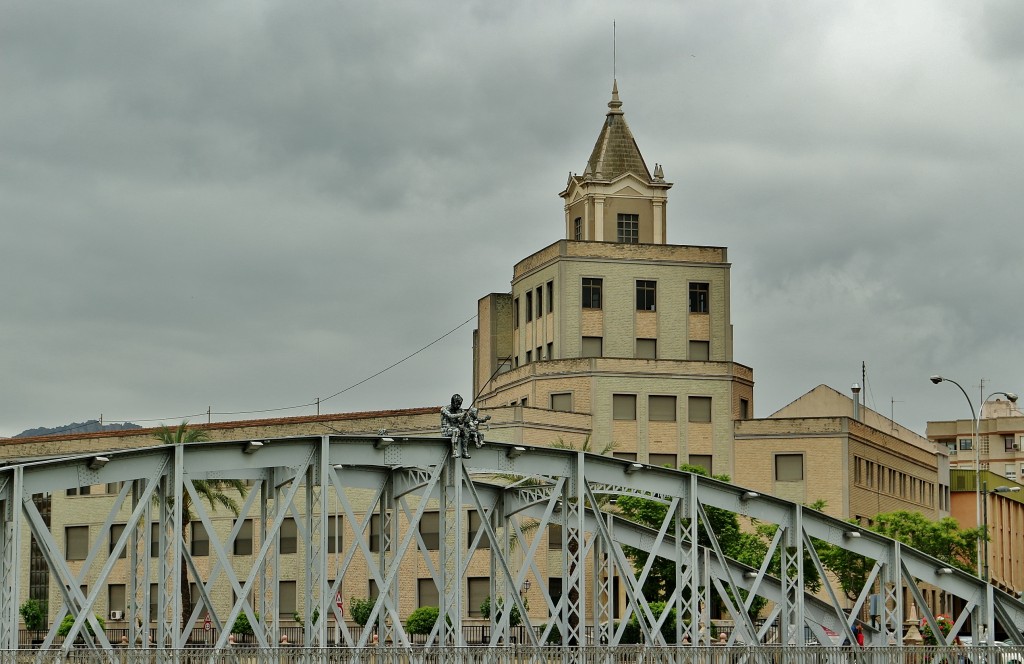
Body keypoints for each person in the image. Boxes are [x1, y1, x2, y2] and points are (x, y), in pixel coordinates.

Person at [441, 394, 471, 458]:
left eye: (460, 404)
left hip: (456, 428)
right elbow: (450, 416)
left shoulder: (460, 410)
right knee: (456, 430)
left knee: (466, 431)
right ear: (453, 402)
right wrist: (461, 414)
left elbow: (464, 421)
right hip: (446, 429)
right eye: (457, 404)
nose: (459, 406)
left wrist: (465, 417)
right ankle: (454, 452)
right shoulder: (444, 409)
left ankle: (464, 452)